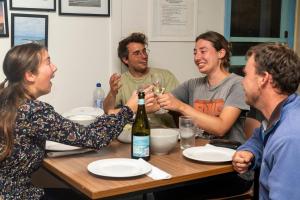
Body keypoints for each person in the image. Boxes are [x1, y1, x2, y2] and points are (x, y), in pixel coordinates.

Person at [0, 43, 154, 200]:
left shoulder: (7, 100)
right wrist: (129, 109)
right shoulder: (33, 111)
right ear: (30, 75)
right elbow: (95, 138)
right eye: (48, 62)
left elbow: (84, 134)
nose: (54, 68)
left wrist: (114, 116)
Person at [154, 31, 252, 199]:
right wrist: (136, 103)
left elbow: (221, 127)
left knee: (168, 192)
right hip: (198, 163)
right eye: (195, 52)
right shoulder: (193, 85)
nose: (197, 57)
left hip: (231, 171)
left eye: (203, 51)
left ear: (221, 53)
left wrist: (180, 106)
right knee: (161, 186)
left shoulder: (237, 85)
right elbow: (161, 103)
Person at [232, 43, 300, 199]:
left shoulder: (290, 138)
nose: (242, 82)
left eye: (246, 75)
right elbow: (260, 137)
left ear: (263, 78)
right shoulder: (284, 111)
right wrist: (249, 151)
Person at [103, 32, 179, 128]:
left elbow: (180, 107)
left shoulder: (165, 75)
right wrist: (112, 92)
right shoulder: (121, 81)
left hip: (165, 133)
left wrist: (159, 102)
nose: (144, 56)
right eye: (137, 53)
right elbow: (108, 111)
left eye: (144, 51)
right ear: (125, 59)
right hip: (134, 133)